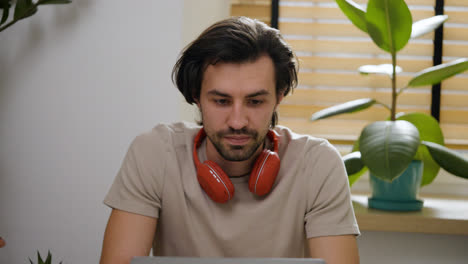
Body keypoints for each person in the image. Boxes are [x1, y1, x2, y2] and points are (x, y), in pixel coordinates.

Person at [100, 17, 360, 264]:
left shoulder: (317, 165)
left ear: (279, 96)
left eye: (255, 101)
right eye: (221, 101)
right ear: (196, 96)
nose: (238, 121)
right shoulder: (155, 153)